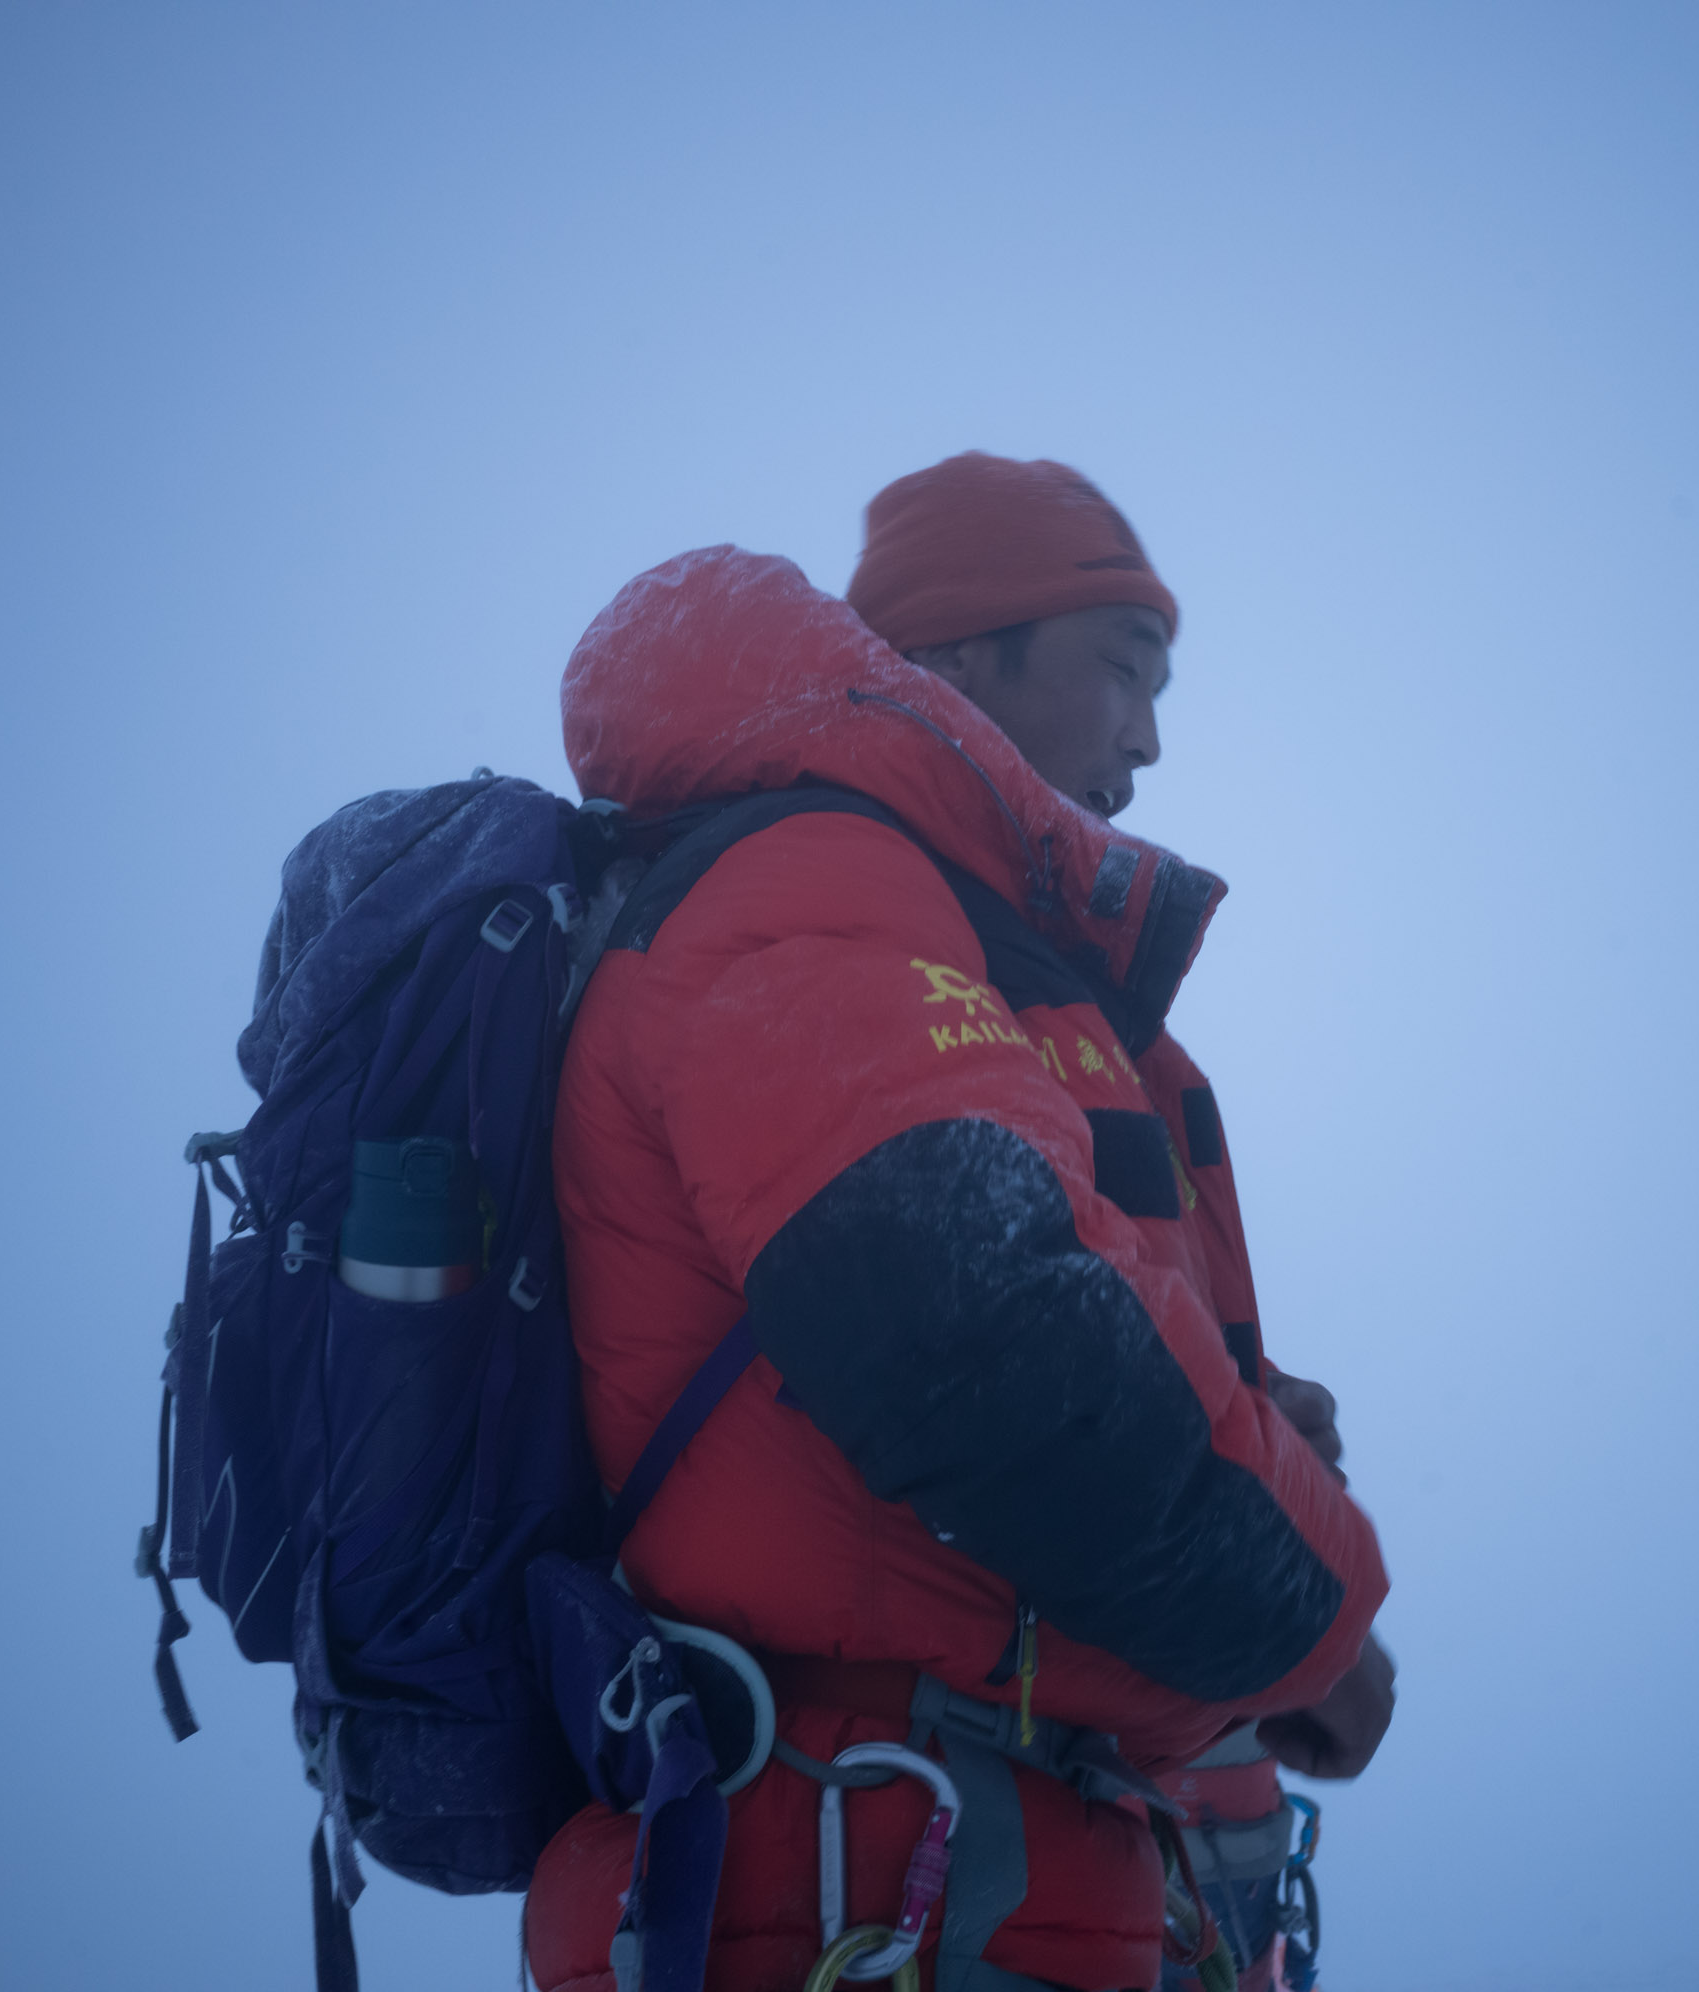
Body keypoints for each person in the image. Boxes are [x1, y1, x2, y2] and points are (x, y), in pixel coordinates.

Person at [523, 454, 1392, 1992]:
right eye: (1124, 669)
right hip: (845, 1887)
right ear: (957, 656)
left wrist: (1236, 1418)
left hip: (958, 1872)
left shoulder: (964, 948)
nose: (1150, 737)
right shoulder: (809, 882)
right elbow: (991, 1338)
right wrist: (1313, 1630)